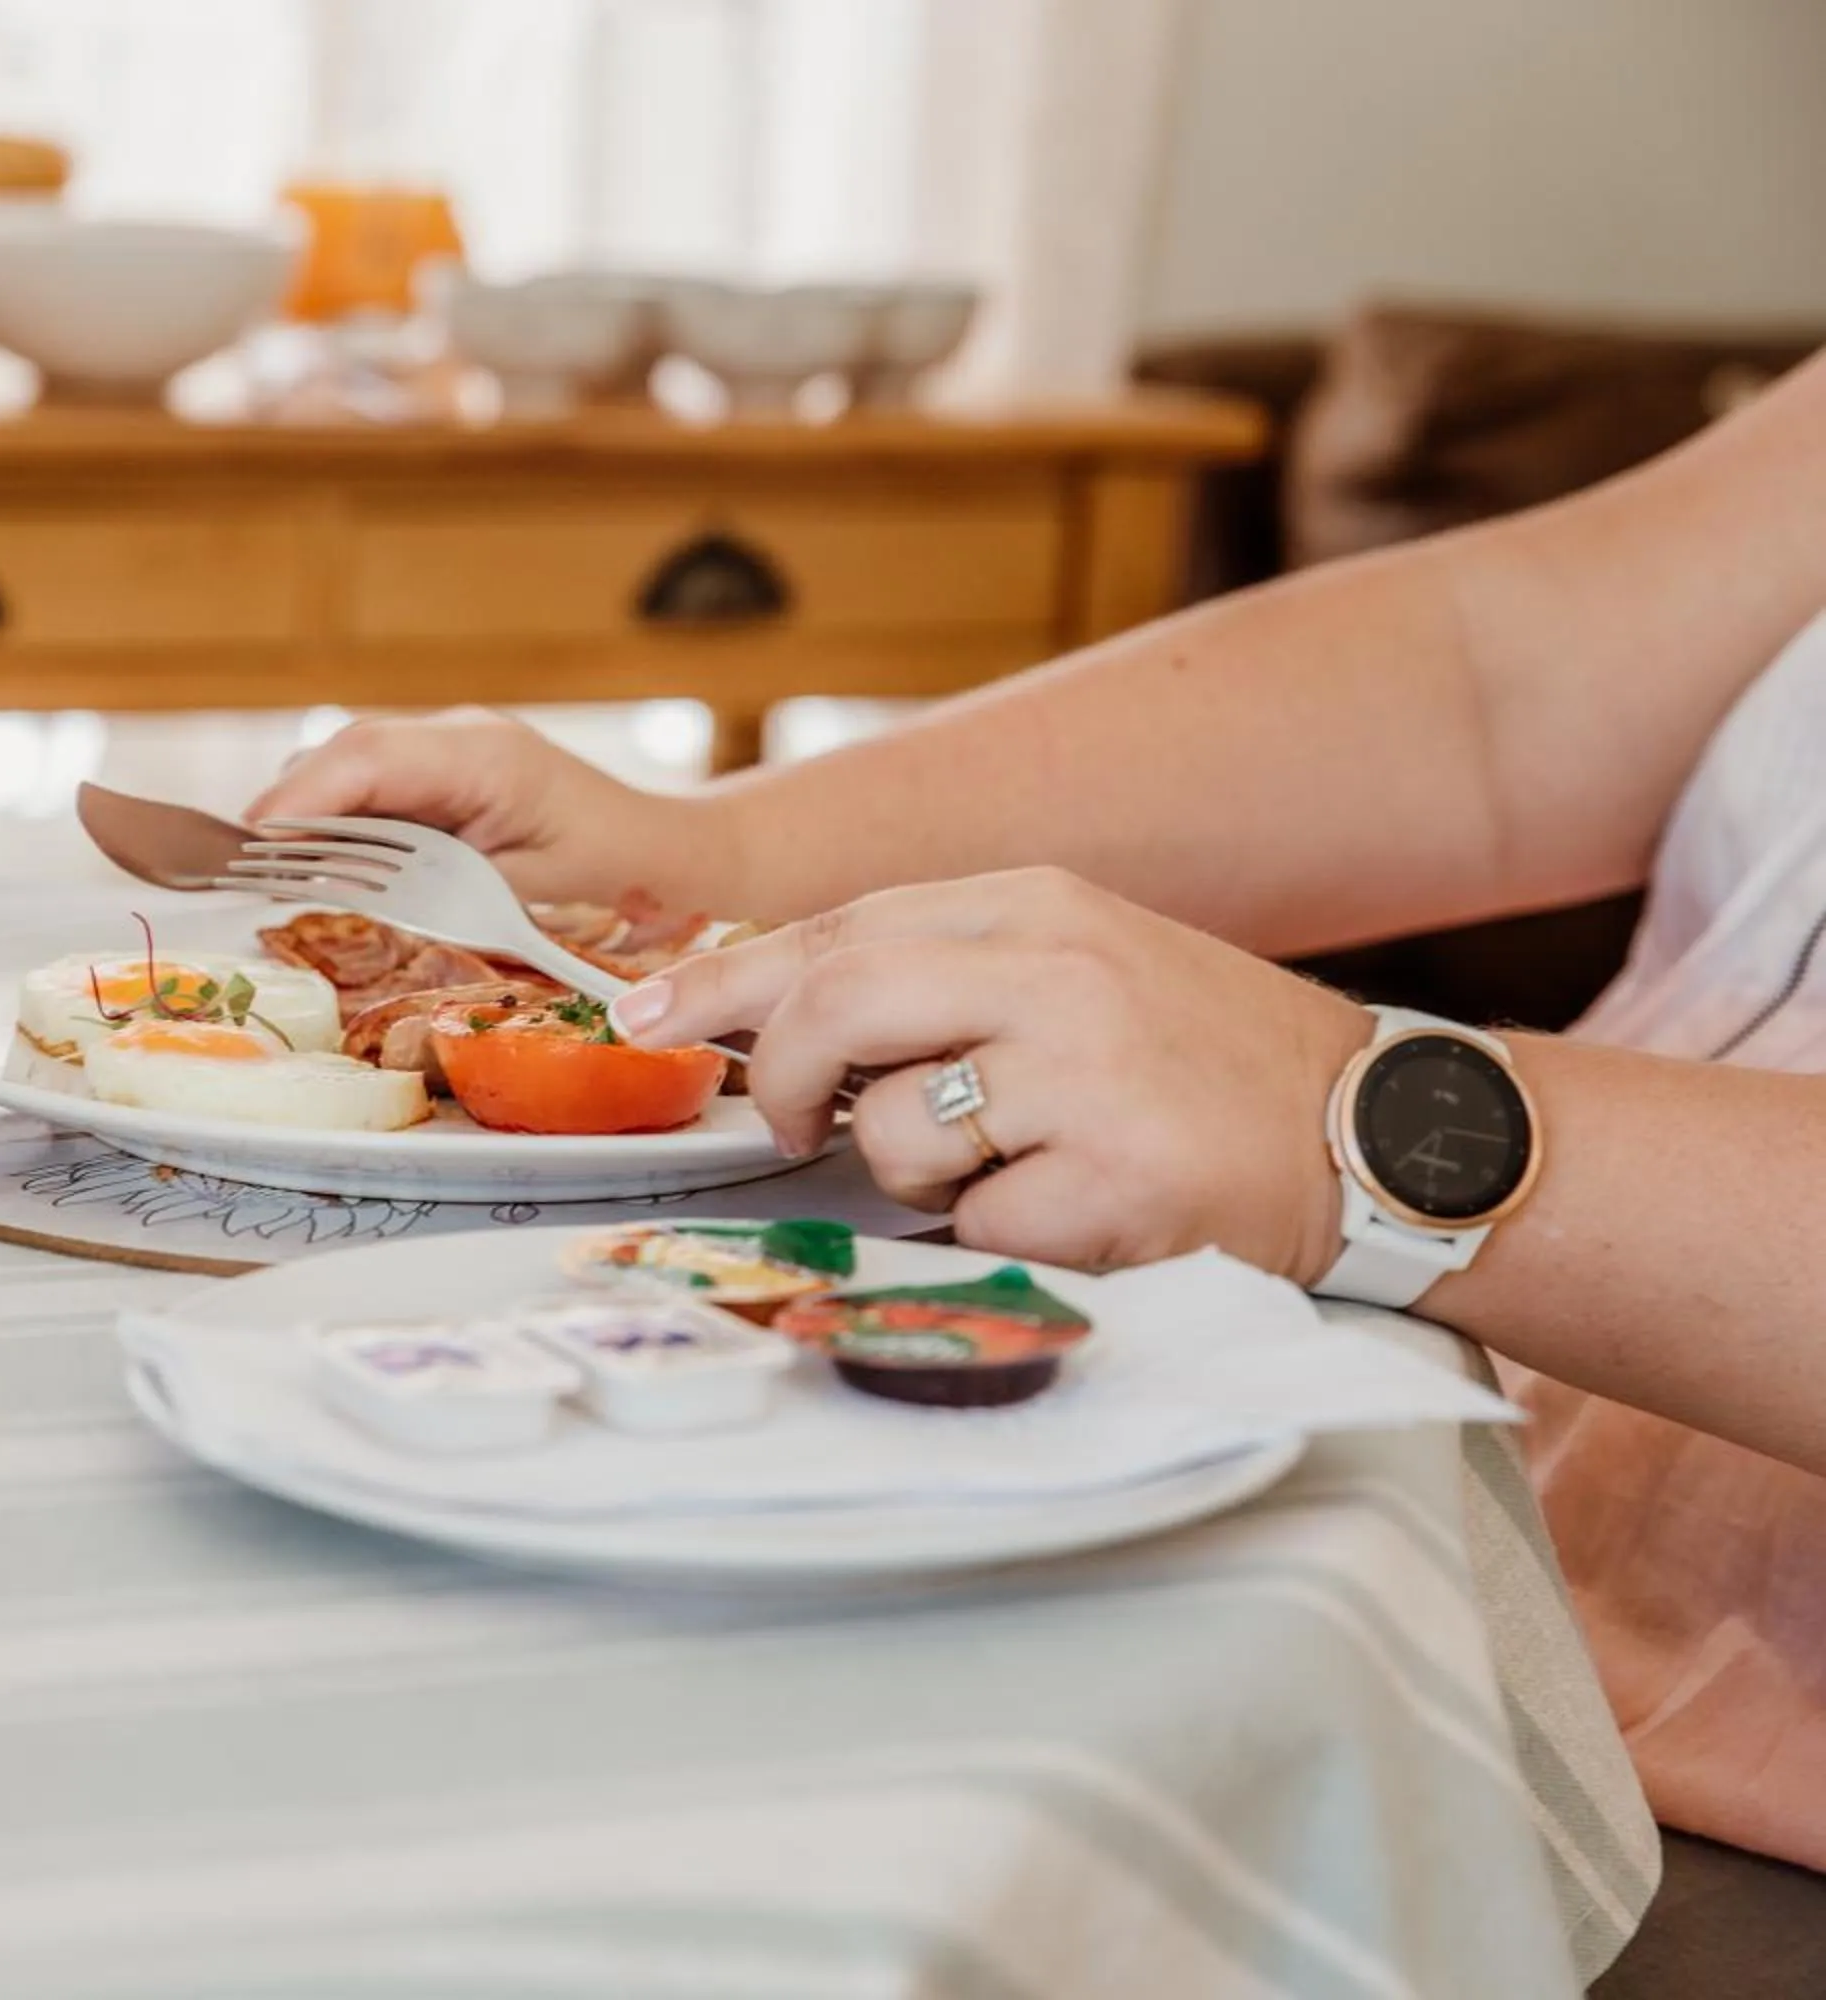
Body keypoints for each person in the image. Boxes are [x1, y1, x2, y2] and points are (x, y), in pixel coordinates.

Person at [252, 348, 1826, 1908]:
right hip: (1441, 1538)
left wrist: (1342, 1126)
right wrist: (715, 853)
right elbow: (1501, 683)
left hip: (1693, 1820)